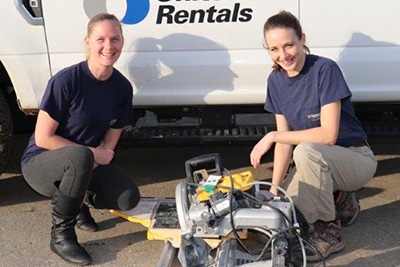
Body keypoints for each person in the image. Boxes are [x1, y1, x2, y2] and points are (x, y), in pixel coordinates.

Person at [250, 11, 377, 261]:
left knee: (307, 150)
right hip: (320, 161)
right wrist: (275, 192)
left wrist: (272, 136)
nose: (283, 55)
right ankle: (341, 199)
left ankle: (329, 233)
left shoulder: (324, 69)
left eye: (289, 45)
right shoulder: (275, 80)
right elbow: (285, 141)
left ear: (302, 40)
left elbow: (328, 136)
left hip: (355, 158)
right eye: (274, 49)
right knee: (282, 219)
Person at [21, 13, 140, 265]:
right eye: (101, 39)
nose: (108, 47)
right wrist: (92, 154)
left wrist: (100, 154)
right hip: (42, 163)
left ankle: (78, 199)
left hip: (85, 162)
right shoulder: (66, 81)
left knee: (129, 198)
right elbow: (43, 137)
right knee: (80, 156)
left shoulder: (122, 87)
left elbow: (112, 137)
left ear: (122, 42)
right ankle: (61, 235)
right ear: (87, 42)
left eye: (115, 39)